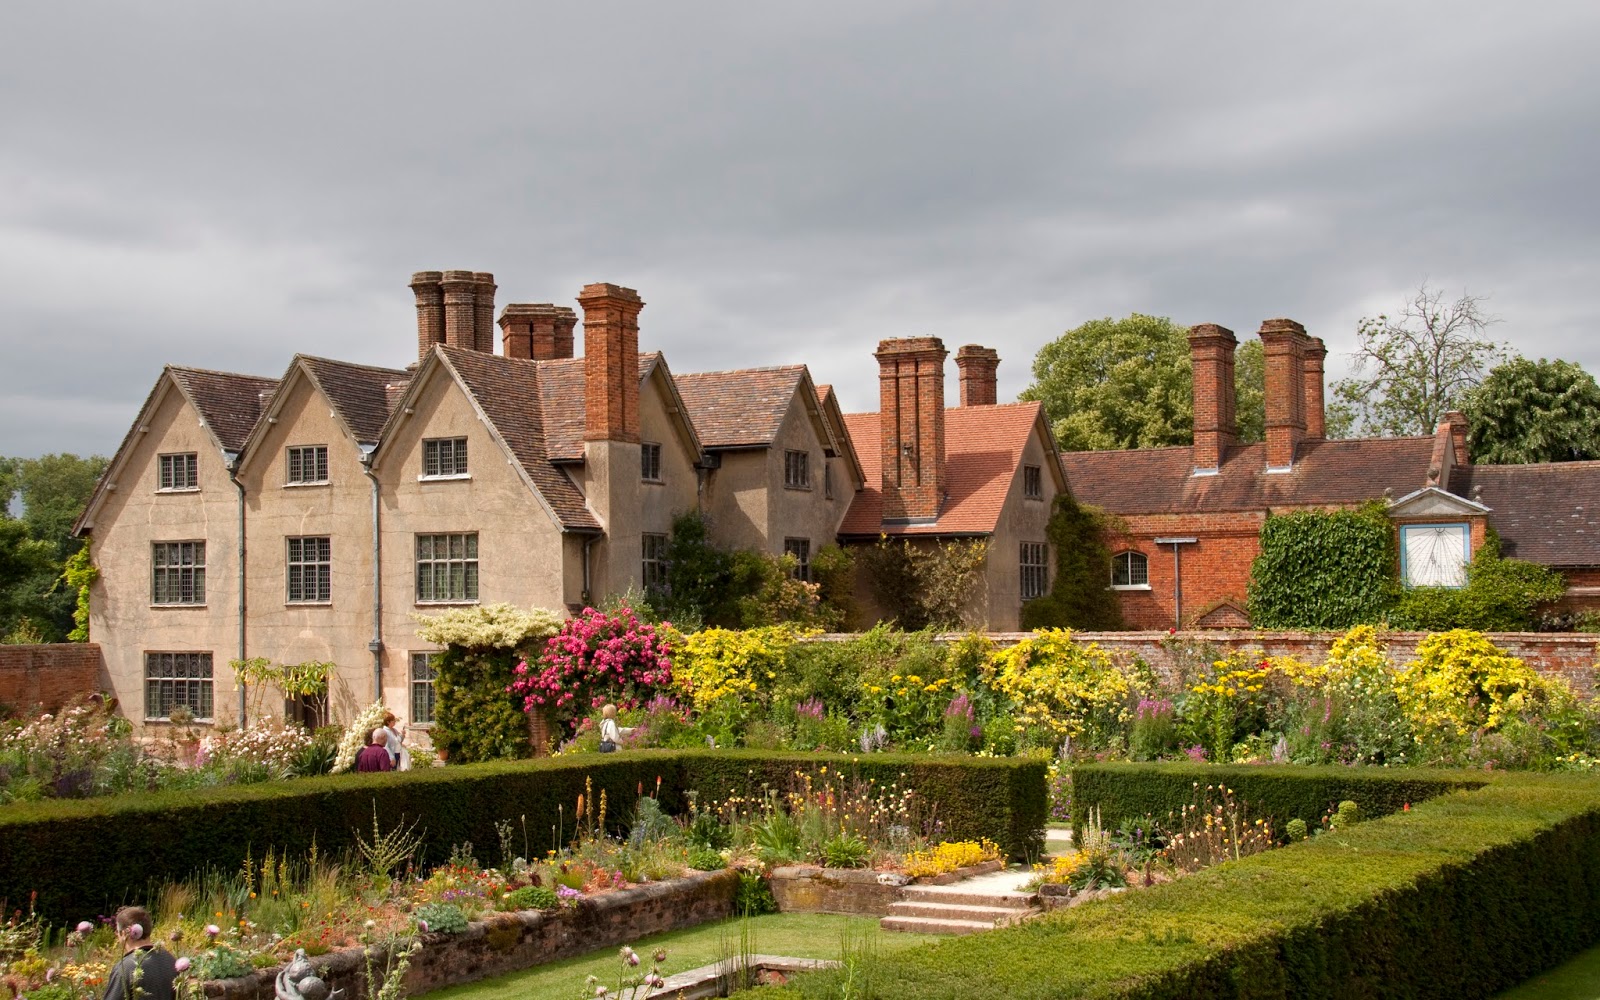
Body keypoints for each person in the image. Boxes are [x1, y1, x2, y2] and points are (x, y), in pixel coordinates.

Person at [103, 906, 178, 1000]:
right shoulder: (170, 960)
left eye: (117, 932)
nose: (116, 935)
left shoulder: (125, 968)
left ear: (125, 933)